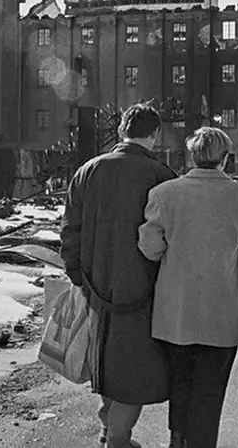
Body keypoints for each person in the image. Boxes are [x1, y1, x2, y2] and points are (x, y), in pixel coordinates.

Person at [60, 103, 177, 448]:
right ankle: (118, 439)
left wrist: (77, 276)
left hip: (95, 286)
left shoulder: (87, 171)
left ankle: (107, 431)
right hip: (144, 289)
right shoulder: (161, 176)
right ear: (155, 134)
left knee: (106, 363)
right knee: (134, 368)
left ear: (121, 130)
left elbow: (70, 231)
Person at [138, 127, 238, 448]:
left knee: (180, 382)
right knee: (210, 390)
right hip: (222, 314)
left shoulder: (164, 194)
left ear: (192, 155)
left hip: (176, 311)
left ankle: (178, 440)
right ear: (225, 158)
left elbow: (150, 247)